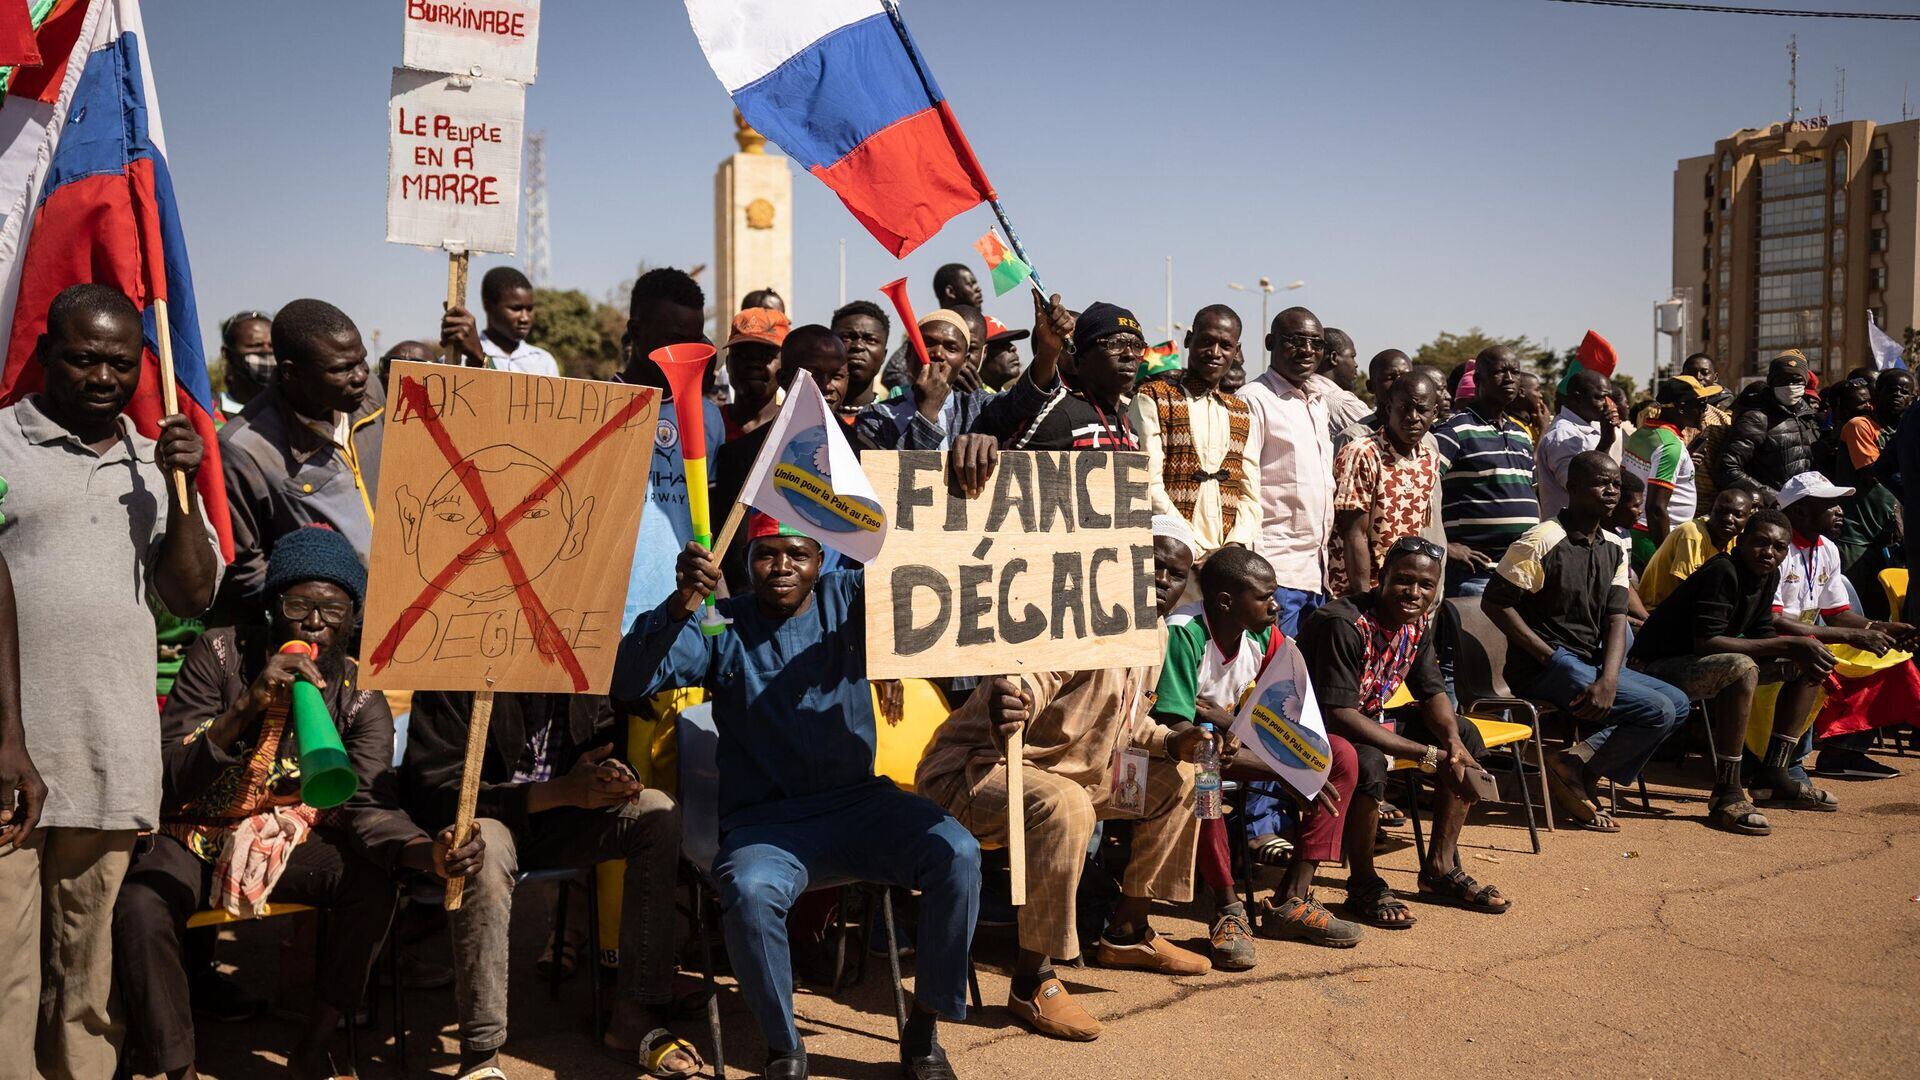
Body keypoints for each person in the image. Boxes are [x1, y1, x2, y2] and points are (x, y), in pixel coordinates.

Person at [613, 517, 981, 1080]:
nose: (782, 567)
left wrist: (953, 476)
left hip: (860, 805)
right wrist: (679, 603)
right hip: (767, 826)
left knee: (956, 853)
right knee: (750, 890)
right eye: (767, 555)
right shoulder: (719, 623)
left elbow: (931, 577)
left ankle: (924, 1027)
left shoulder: (849, 599)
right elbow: (629, 680)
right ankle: (784, 1049)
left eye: (799, 554)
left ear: (820, 561)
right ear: (748, 561)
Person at [113, 526, 478, 1080]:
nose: (314, 624)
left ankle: (317, 1042)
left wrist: (425, 853)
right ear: (271, 610)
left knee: (372, 883)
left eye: (332, 612)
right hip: (193, 830)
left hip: (285, 839)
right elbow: (166, 777)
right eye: (298, 606)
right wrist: (244, 707)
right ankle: (176, 1066)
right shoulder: (218, 653)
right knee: (142, 903)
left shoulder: (359, 695)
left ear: (353, 620)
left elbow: (368, 806)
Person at [0, 284, 221, 1080]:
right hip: (10, 757)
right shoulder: (2, 445)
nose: (101, 376)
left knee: (88, 986)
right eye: (83, 358)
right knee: (6, 978)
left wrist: (182, 491)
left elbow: (190, 596)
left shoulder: (154, 461)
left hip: (110, 755)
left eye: (120, 363)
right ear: (46, 354)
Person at [916, 516, 1214, 1040]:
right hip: (979, 772)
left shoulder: (1156, 637)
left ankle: (1128, 930)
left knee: (1188, 778)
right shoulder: (1071, 619)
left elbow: (1129, 723)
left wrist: (1172, 742)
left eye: (1176, 573)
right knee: (1066, 803)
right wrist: (1013, 701)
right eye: (1153, 565)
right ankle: (1032, 979)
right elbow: (1026, 682)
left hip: (1071, 775)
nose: (1164, 581)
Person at [404, 684, 693, 1079]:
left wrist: (614, 777)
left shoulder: (579, 663)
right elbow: (433, 794)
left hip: (565, 820)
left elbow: (604, 742)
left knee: (658, 811)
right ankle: (481, 1056)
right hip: (491, 818)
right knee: (481, 850)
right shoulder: (457, 674)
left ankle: (635, 1018)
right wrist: (553, 794)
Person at [1151, 547, 1364, 952]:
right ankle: (1227, 909)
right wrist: (1288, 770)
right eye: (1265, 596)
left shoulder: (1264, 632)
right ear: (1227, 602)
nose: (1276, 605)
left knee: (1340, 758)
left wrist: (1236, 725)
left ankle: (1292, 900)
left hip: (1237, 746)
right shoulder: (1186, 632)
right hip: (1183, 754)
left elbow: (1280, 716)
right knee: (1206, 772)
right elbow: (1177, 726)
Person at [1301, 537, 1511, 926]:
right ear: (1381, 578)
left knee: (1464, 737)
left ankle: (1440, 870)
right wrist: (1426, 754)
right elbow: (1339, 713)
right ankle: (1362, 882)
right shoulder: (1343, 623)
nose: (1414, 593)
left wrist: (1450, 744)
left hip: (1370, 716)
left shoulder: (1416, 625)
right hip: (1316, 729)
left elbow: (1431, 690)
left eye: (1425, 585)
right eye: (1403, 581)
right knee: (1368, 761)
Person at [1483, 451, 1689, 833]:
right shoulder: (1541, 539)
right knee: (1656, 710)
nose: (1611, 491)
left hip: (1590, 663)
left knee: (1677, 704)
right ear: (1572, 487)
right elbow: (1494, 602)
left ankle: (1575, 766)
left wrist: (1610, 677)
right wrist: (1549, 658)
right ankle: (1576, 774)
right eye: (1600, 483)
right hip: (1544, 667)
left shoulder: (1613, 545)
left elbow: (1615, 618)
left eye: (1615, 483)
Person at [1626, 511, 1834, 835]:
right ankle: (1727, 791)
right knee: (1741, 668)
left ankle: (1775, 774)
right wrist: (1793, 641)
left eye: (1779, 548)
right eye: (1761, 543)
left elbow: (1763, 632)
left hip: (1701, 662)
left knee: (1807, 664)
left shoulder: (1767, 576)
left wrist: (1798, 650)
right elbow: (1706, 641)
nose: (1769, 553)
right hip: (1654, 667)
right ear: (1742, 542)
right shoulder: (1723, 570)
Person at [219, 298, 381, 613]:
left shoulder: (372, 395)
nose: (360, 375)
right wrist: (317, 616)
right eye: (341, 369)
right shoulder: (244, 448)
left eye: (361, 361)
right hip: (335, 634)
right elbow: (246, 568)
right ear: (292, 373)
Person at [1771, 472, 1920, 785]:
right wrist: (1852, 635)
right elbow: (1775, 621)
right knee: (1818, 658)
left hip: (1814, 636)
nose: (1840, 510)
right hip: (1777, 641)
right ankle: (1789, 762)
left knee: (1892, 659)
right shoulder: (1777, 548)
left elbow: (1837, 613)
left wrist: (1882, 627)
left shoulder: (1826, 548)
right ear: (1799, 511)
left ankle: (1842, 751)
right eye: (1830, 504)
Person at [714, 325, 853, 590]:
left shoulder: (865, 451)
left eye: (836, 376)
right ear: (784, 379)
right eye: (813, 376)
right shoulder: (741, 455)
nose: (826, 386)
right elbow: (732, 552)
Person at [1127, 304, 1260, 554]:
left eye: (1225, 345)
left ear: (1237, 351)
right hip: (1170, 553)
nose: (1215, 352)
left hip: (1224, 558)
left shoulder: (1240, 411)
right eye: (1206, 341)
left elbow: (1250, 493)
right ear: (1189, 339)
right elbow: (1147, 484)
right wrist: (1194, 547)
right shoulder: (1153, 397)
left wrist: (1232, 548)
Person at [1240, 306, 1336, 634]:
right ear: (1270, 342)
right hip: (1276, 570)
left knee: (1306, 676)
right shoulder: (1254, 399)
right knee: (1274, 677)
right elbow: (1244, 483)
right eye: (1295, 341)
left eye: (1316, 343)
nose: (1307, 351)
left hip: (1317, 573)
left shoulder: (1318, 401)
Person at [854, 299, 1056, 451]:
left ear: (965, 361)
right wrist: (927, 412)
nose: (938, 354)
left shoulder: (977, 406)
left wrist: (1048, 351)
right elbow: (895, 482)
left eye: (951, 347)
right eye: (928, 343)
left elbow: (1023, 402)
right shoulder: (876, 417)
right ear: (908, 354)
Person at [1432, 346, 1538, 597]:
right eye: (1501, 371)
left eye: (1515, 371)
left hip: (1519, 573)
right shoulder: (1453, 430)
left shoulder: (1521, 434)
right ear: (1478, 380)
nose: (1510, 378)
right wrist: (1446, 546)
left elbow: (1531, 494)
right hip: (1475, 574)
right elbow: (1423, 491)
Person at [1330, 372, 1441, 597]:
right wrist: (1364, 601)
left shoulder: (1429, 458)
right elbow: (1354, 534)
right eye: (1404, 408)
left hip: (1402, 594)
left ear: (1435, 413)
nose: (1413, 417)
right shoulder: (1362, 453)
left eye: (1422, 410)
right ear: (1389, 408)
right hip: (1361, 592)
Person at [991, 300, 1144, 452]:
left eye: (1137, 346)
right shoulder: (1059, 416)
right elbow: (1013, 470)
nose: (1129, 354)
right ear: (1082, 356)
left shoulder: (1128, 426)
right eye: (1116, 344)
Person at [1834, 369, 1914, 617]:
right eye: (1892, 389)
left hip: (1889, 536)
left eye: (1905, 391)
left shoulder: (1903, 433)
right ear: (1876, 394)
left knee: (1885, 610)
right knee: (1855, 610)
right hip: (1857, 535)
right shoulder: (1861, 426)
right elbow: (1873, 472)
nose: (1898, 395)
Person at [1623, 374, 1719, 571]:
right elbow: (1656, 508)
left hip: (1637, 534)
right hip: (1655, 539)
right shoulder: (1670, 446)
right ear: (1682, 407)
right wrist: (1666, 555)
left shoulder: (1642, 434)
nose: (1705, 411)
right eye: (1700, 405)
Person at [1718, 350, 1819, 504]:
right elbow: (1727, 468)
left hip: (1803, 510)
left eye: (1796, 379)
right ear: (1771, 382)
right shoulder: (1757, 418)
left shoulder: (1808, 417)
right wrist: (1774, 498)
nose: (1790, 386)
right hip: (1772, 511)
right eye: (1782, 379)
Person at [1639, 485, 1757, 608]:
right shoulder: (1692, 533)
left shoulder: (1736, 540)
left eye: (1738, 515)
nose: (1728, 519)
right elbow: (1688, 591)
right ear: (1711, 510)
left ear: (1747, 520)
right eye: (1722, 511)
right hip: (1657, 610)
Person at [440, 266, 560, 377]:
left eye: (529, 309)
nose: (525, 318)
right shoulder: (456, 359)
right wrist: (477, 359)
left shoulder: (543, 361)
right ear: (489, 306)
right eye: (516, 309)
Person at [1536, 368, 1619, 520]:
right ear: (1577, 398)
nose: (1608, 405)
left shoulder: (1591, 426)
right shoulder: (1563, 435)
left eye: (1609, 398)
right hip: (1566, 533)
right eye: (1600, 397)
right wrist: (1605, 443)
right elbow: (1576, 486)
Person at [720, 307, 789, 442]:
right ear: (728, 364)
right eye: (743, 355)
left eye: (766, 356)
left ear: (785, 365)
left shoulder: (797, 427)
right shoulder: (708, 425)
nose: (753, 364)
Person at [1332, 348, 1412, 451]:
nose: (1399, 383)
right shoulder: (1353, 438)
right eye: (1390, 378)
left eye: (1405, 376)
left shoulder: (1426, 439)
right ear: (1371, 386)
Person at [832, 300, 893, 412]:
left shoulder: (897, 420)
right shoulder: (807, 416)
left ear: (884, 356)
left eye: (871, 340)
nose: (858, 346)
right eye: (846, 337)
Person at [1309, 327, 1369, 433]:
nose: (1356, 364)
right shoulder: (1342, 402)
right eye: (1352, 356)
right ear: (1334, 357)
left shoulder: (1298, 390)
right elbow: (1385, 439)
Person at [216, 310, 275, 415]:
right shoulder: (210, 414)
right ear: (227, 354)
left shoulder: (290, 415)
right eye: (256, 345)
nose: (267, 351)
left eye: (272, 346)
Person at [980, 316, 1027, 391]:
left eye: (1009, 342)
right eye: (1001, 343)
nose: (1013, 347)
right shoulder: (967, 400)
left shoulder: (1006, 398)